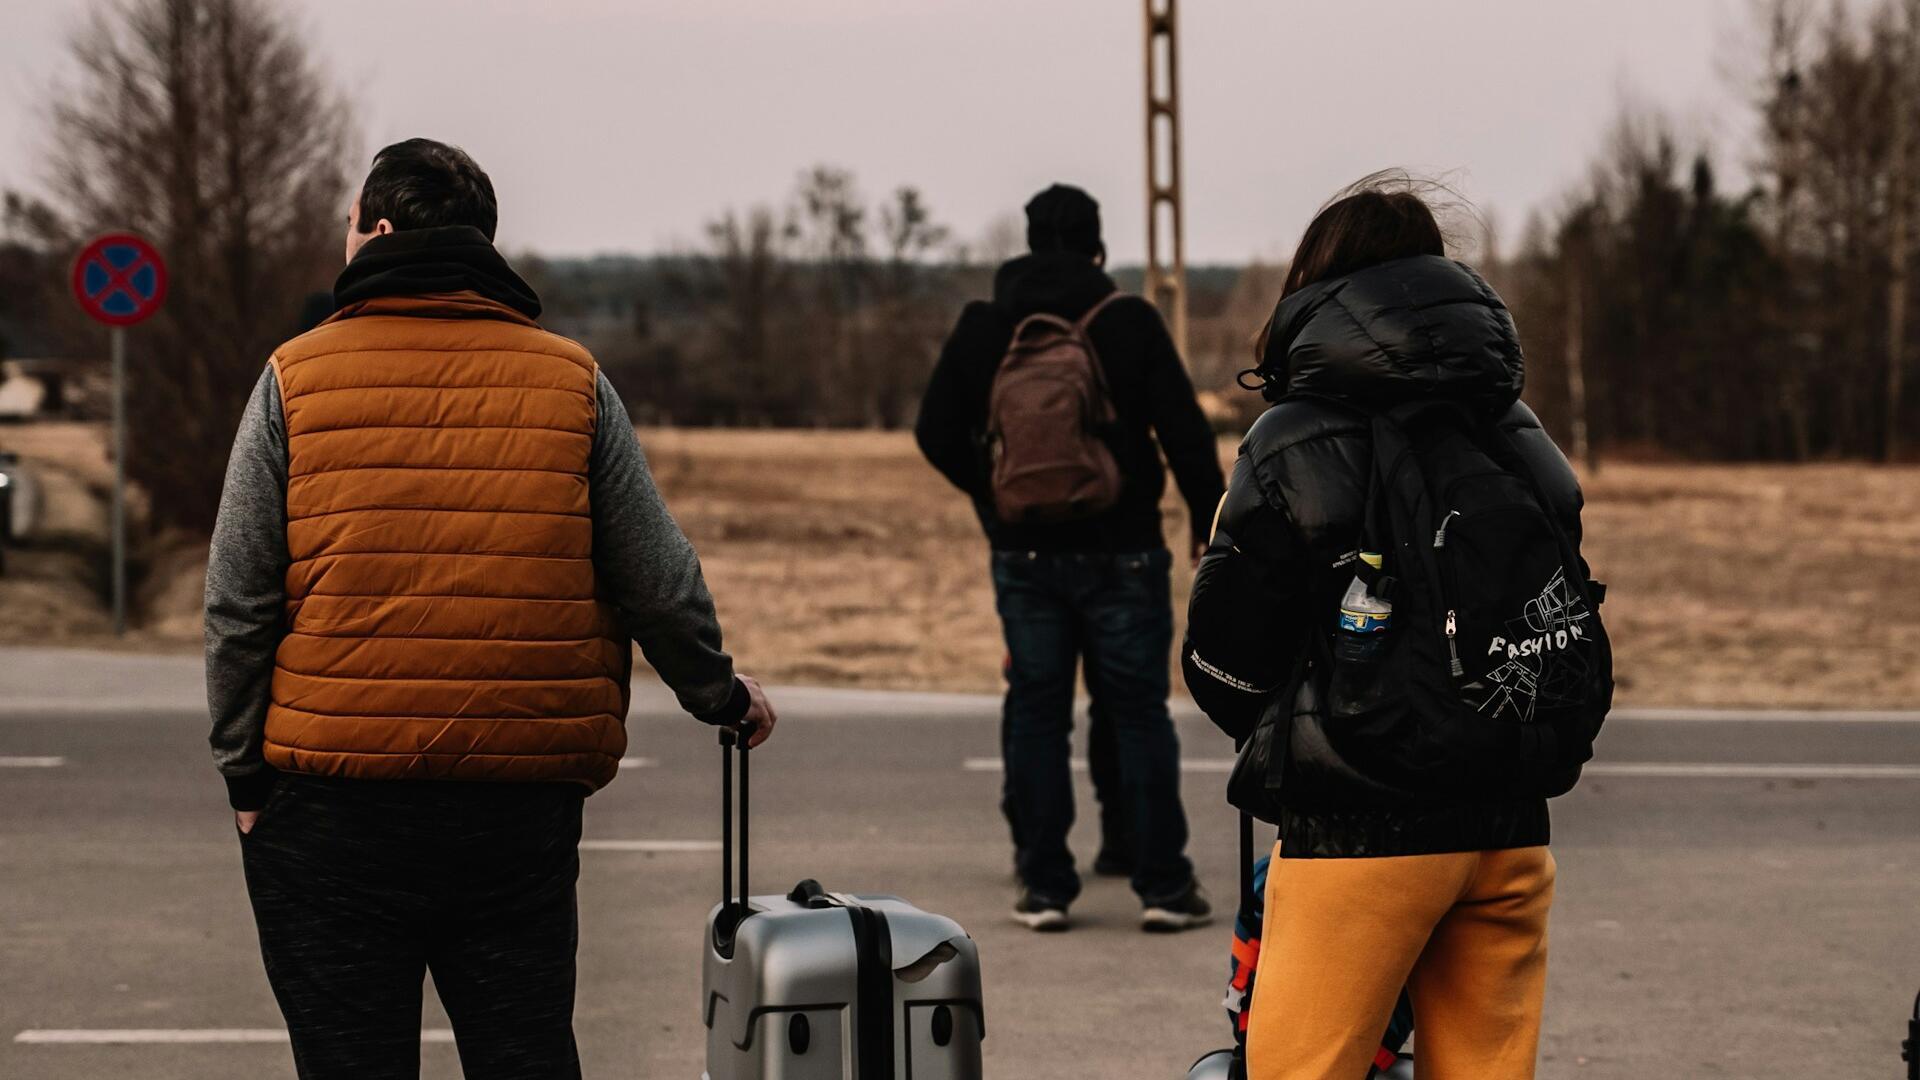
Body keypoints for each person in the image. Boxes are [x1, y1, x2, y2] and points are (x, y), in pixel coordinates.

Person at [203, 138, 777, 1078]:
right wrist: (719, 694)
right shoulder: (570, 381)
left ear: (378, 230)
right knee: (523, 1055)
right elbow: (656, 579)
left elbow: (238, 599)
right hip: (515, 808)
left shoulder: (293, 381)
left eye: (348, 222)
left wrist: (244, 778)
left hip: (331, 810)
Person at [1183, 176, 1597, 1080]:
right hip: (1511, 826)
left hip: (1360, 836)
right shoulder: (1520, 434)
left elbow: (1224, 660)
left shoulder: (1295, 437)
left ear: (1318, 288)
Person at [916, 183, 1225, 932]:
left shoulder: (987, 324)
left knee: (1036, 712)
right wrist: (1207, 522)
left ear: (1026, 241)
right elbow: (1185, 431)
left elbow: (934, 430)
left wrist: (996, 496)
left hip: (1023, 552)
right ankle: (1162, 885)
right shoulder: (1128, 322)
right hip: (1124, 551)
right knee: (1140, 714)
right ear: (1098, 249)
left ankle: (1046, 886)